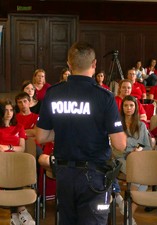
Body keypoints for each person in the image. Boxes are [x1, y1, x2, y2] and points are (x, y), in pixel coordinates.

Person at [36, 42, 126, 225]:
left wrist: (66, 128)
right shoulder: (105, 97)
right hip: (94, 175)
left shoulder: (53, 94)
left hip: (64, 174)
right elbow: (120, 144)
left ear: (69, 64)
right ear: (94, 65)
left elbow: (41, 137)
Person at [113, 95, 152, 225]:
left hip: (138, 159)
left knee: (145, 180)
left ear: (135, 108)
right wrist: (129, 153)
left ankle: (127, 211)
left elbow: (148, 147)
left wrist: (139, 151)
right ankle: (129, 217)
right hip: (121, 158)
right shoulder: (116, 124)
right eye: (126, 105)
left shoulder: (141, 126)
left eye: (131, 105)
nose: (128, 108)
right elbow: (113, 147)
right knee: (139, 178)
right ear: (122, 107)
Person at [0, 99, 35, 225]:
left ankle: (15, 214)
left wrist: (7, 147)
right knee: (8, 169)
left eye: (11, 110)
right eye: (5, 110)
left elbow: (22, 148)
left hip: (16, 162)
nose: (9, 113)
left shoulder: (19, 127)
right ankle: (21, 211)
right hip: (2, 164)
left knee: (16, 169)